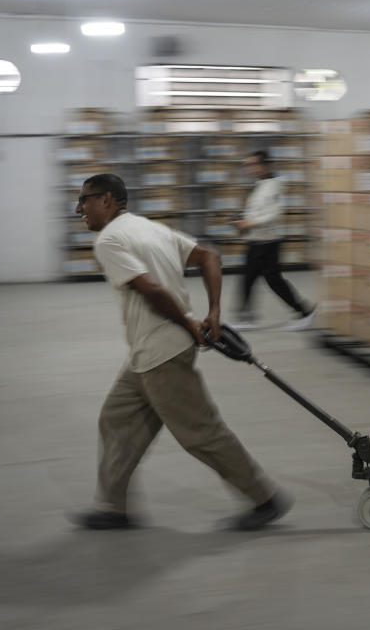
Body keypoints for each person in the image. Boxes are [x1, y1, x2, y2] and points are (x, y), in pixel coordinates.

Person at [69, 173, 292, 531]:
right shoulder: (148, 228)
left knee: (201, 433)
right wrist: (214, 312)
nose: (79, 209)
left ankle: (264, 498)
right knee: (116, 419)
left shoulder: (109, 240)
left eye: (85, 200)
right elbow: (209, 256)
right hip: (149, 352)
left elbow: (151, 290)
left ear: (107, 199)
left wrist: (194, 323)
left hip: (163, 354)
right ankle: (112, 507)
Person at [232, 150, 316, 330]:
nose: (250, 169)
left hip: (268, 242)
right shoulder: (261, 184)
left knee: (273, 280)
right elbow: (258, 209)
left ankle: (305, 312)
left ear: (266, 165)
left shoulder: (274, 186)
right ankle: (246, 317)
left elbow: (274, 214)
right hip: (257, 240)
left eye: (253, 164)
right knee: (248, 278)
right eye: (248, 165)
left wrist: (249, 222)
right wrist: (241, 218)